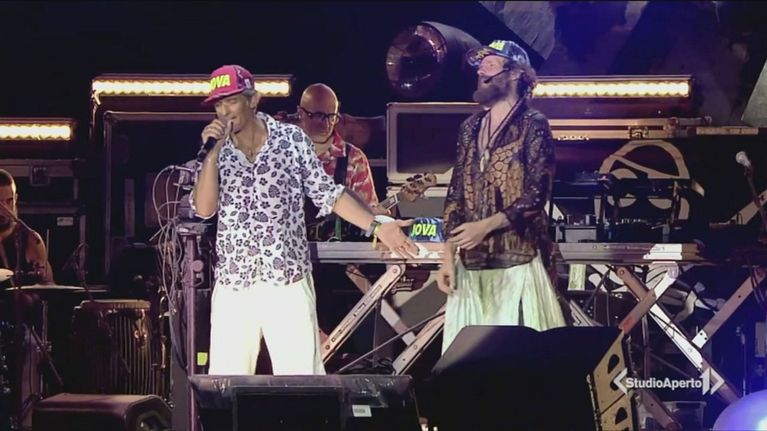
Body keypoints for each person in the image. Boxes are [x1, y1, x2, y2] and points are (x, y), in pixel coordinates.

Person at [191, 65, 417, 375]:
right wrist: (212, 155)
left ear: (253, 100)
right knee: (226, 382)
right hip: (234, 283)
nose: (224, 111)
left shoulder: (291, 140)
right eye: (218, 104)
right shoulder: (218, 151)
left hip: (287, 280)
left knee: (300, 379)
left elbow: (329, 193)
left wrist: (377, 225)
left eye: (231, 101)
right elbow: (204, 209)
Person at [436, 40, 566, 354]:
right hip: (473, 264)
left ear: (515, 73)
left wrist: (485, 226)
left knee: (521, 358)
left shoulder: (532, 124)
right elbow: (456, 193)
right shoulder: (470, 128)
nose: (481, 72)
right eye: (480, 66)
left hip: (518, 261)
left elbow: (537, 194)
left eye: (491, 64)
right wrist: (448, 253)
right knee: (472, 363)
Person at [0, 169, 54, 288]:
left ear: (16, 199)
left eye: (9, 201)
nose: (5, 209)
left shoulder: (30, 238)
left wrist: (33, 296)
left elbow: (48, 288)